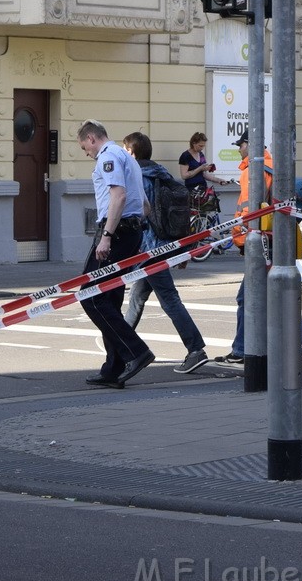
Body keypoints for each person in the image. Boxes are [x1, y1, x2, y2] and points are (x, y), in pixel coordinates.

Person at [218, 130, 302, 370]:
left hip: (259, 242)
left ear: (250, 145)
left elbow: (249, 212)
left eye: (241, 145)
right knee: (249, 296)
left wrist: (240, 237)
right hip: (274, 239)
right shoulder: (272, 167)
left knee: (263, 297)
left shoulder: (253, 172)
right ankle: (241, 349)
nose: (239, 149)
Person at [121, 132, 210, 374]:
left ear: (131, 153)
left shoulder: (136, 176)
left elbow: (140, 214)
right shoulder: (161, 174)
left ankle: (196, 350)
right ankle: (120, 351)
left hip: (148, 249)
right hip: (163, 246)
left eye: (123, 150)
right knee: (137, 300)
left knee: (169, 300)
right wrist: (181, 248)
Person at [77, 119, 155, 389]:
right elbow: (144, 204)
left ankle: (135, 351)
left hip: (116, 231)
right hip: (130, 231)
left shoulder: (108, 156)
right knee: (109, 296)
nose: (86, 153)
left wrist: (107, 236)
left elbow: (118, 196)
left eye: (84, 147)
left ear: (91, 138)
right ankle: (113, 367)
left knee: (90, 295)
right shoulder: (127, 157)